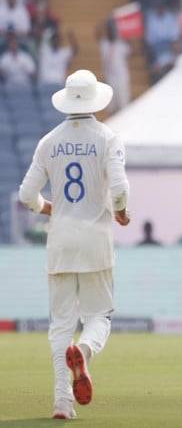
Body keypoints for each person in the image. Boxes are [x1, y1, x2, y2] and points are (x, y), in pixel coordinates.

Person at [18, 70, 130, 419]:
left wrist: (46, 207)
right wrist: (122, 212)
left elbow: (25, 195)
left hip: (61, 240)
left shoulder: (49, 141)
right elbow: (120, 188)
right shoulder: (108, 137)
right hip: (96, 239)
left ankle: (62, 402)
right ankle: (84, 349)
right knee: (99, 315)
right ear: (96, 99)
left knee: (59, 324)